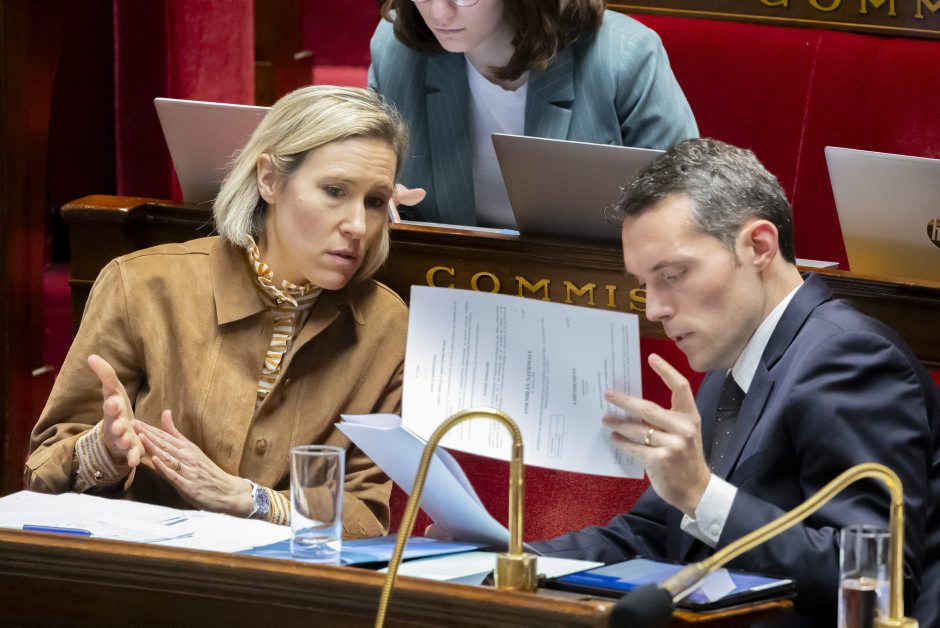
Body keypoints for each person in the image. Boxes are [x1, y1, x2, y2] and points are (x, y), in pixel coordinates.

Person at [531, 138, 940, 626]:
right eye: (644, 285)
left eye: (673, 275)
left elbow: (872, 581)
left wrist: (701, 493)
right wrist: (509, 560)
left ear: (759, 246)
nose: (654, 308)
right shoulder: (734, 360)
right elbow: (652, 534)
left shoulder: (850, 358)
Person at [25, 86, 410, 537]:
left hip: (284, 576)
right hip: (145, 565)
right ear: (269, 179)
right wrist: (104, 450)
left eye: (375, 201)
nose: (358, 226)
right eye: (334, 191)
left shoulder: (386, 324)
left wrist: (251, 500)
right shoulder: (142, 285)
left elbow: (366, 517)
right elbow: (41, 475)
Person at [369, 0, 697, 227]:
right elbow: (364, 174)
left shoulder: (625, 55)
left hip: (587, 283)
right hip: (441, 276)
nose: (439, 12)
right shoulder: (396, 48)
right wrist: (373, 196)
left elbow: (685, 201)